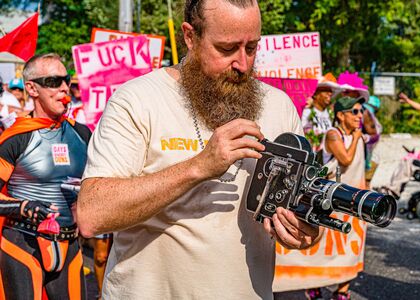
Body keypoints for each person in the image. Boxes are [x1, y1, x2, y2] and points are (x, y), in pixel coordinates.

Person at [76, 0, 322, 298]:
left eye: (252, 47)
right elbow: (92, 215)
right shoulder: (137, 100)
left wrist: (302, 231)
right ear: (190, 36)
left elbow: (303, 215)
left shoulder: (279, 106)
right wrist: (198, 167)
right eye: (227, 48)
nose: (243, 64)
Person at [0, 53, 90, 299]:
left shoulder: (82, 134)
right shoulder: (16, 138)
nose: (64, 87)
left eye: (66, 79)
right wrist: (24, 207)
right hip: (23, 241)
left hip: (70, 242)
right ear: (32, 88)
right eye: (53, 81)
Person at [305, 96, 366, 300]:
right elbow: (345, 159)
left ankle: (342, 290)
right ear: (340, 115)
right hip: (334, 198)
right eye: (354, 112)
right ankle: (313, 283)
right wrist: (357, 138)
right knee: (326, 245)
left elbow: (376, 131)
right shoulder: (333, 134)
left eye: (361, 111)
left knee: (352, 243)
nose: (360, 116)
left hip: (355, 197)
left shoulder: (357, 132)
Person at [302, 74, 339, 153]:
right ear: (315, 94)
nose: (330, 93)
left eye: (330, 91)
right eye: (325, 90)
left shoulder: (331, 113)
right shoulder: (306, 112)